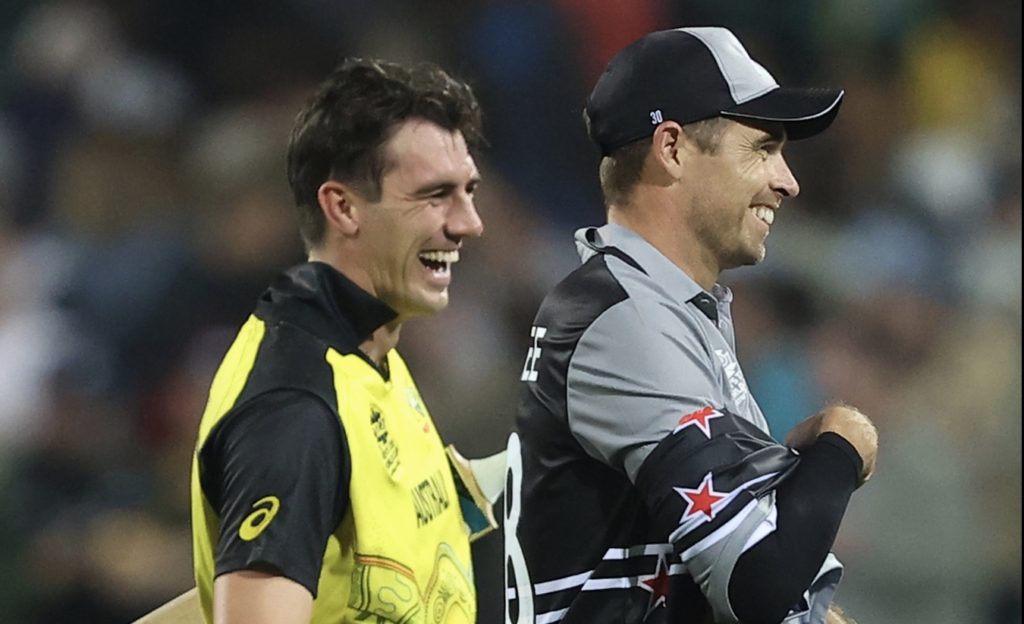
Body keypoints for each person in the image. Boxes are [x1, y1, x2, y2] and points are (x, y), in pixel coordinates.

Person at [505, 27, 879, 624]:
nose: (788, 180)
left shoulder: (665, 310)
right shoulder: (625, 320)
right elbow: (758, 584)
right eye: (763, 148)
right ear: (673, 148)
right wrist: (844, 440)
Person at [190, 57, 492, 624]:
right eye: (435, 195)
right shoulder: (294, 409)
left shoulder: (369, 348)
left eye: (469, 191)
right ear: (343, 207)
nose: (469, 222)